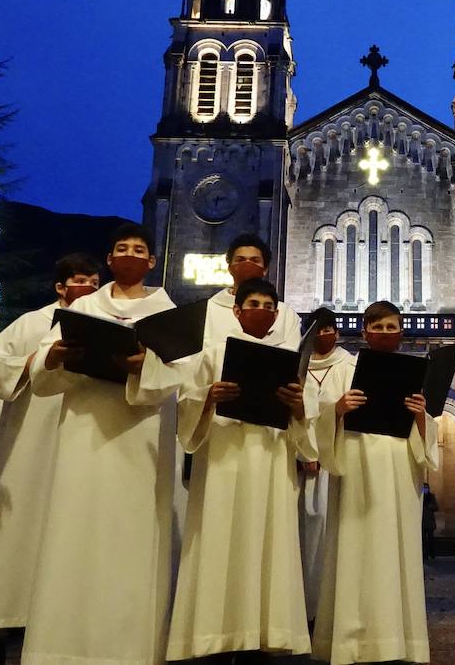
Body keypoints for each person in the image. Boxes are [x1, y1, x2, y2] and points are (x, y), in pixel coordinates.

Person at [20, 223, 184, 665]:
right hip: (84, 431)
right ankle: (60, 646)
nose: (129, 255)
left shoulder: (168, 311)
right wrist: (51, 358)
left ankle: (129, 648)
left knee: (132, 539)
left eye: (139, 250)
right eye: (120, 249)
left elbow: (182, 374)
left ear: (151, 262)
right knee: (75, 529)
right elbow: (45, 369)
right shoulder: (86, 305)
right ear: (109, 259)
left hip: (141, 435)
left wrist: (143, 367)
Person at [163, 278, 314, 660]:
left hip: (270, 461)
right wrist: (208, 397)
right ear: (236, 310)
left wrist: (296, 407)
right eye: (253, 303)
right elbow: (187, 408)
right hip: (224, 463)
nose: (260, 310)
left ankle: (261, 635)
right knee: (220, 541)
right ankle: (213, 636)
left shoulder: (289, 360)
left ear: (277, 315)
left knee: (266, 544)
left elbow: (305, 429)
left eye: (268, 305)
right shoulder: (213, 352)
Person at [0, 253, 101, 644]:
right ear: (60, 287)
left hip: (82, 437)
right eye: (80, 281)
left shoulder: (106, 327)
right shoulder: (33, 323)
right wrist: (37, 362)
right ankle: (1, 624)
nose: (89, 289)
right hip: (32, 436)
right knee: (20, 528)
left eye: (94, 282)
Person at [312, 299, 438, 664]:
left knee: (396, 550)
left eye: (392, 326)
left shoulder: (418, 373)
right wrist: (337, 409)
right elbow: (320, 416)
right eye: (378, 327)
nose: (385, 333)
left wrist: (420, 417)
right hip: (356, 462)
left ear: (402, 331)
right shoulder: (343, 368)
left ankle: (398, 641)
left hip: (398, 467)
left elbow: (425, 436)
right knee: (355, 547)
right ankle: (351, 641)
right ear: (365, 331)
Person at [301, 306, 352, 625]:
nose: (324, 334)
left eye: (329, 328)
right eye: (318, 329)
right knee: (301, 538)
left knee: (333, 534)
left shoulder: (351, 365)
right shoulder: (296, 365)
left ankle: (333, 609)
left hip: (337, 464)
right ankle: (302, 609)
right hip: (298, 463)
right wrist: (305, 451)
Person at [204, 232, 299, 349]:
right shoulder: (208, 310)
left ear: (265, 269)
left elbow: (292, 358)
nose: (247, 265)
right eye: (240, 260)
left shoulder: (286, 314)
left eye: (254, 260)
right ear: (229, 268)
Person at [422, 484, 439, 560]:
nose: (425, 490)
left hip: (430, 522)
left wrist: (430, 506)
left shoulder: (431, 496)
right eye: (424, 488)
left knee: (431, 539)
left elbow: (436, 507)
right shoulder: (420, 497)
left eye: (426, 488)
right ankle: (425, 555)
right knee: (423, 540)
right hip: (423, 522)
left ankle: (432, 554)